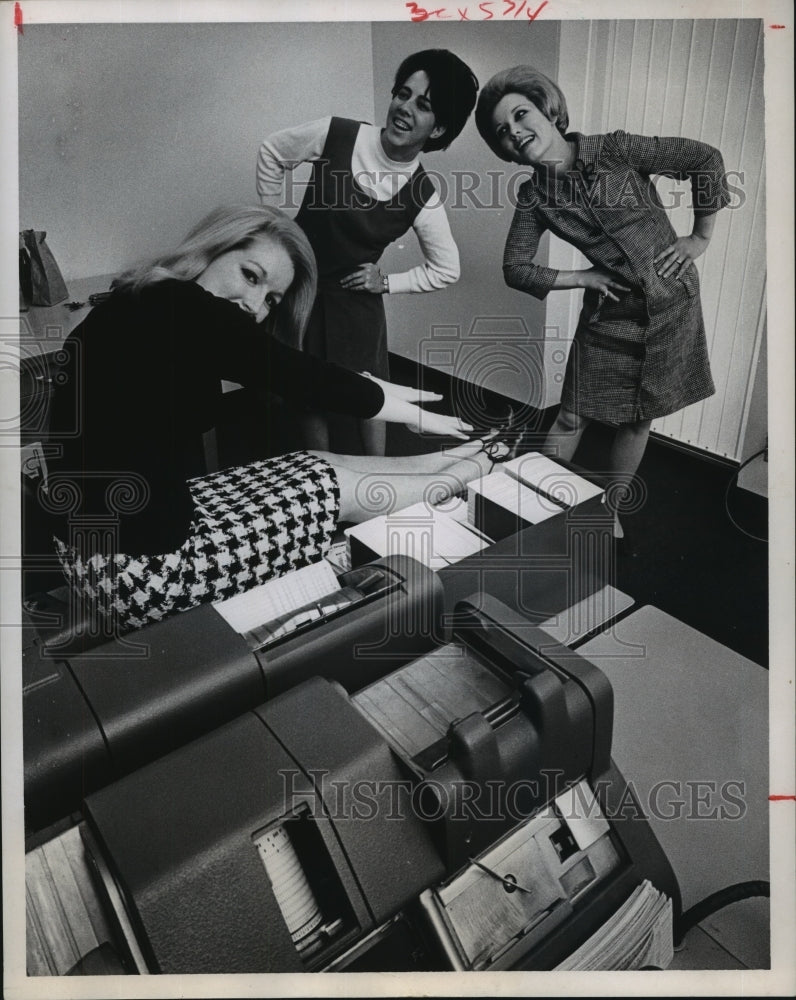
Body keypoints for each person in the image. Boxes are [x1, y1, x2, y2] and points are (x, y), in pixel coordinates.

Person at [44, 205, 497, 634]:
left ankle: (458, 460)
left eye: (270, 299)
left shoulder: (145, 302)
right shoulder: (178, 303)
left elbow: (279, 373)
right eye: (250, 276)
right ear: (211, 249)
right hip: (140, 571)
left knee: (312, 462)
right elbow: (292, 372)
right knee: (330, 488)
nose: (255, 305)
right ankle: (479, 469)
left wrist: (386, 394)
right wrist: (401, 407)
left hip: (108, 542)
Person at [474, 67, 730, 538]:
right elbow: (516, 267)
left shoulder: (616, 149)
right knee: (571, 415)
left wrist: (699, 237)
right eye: (502, 131)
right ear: (503, 150)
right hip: (610, 314)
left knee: (636, 422)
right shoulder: (535, 197)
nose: (514, 131)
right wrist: (583, 277)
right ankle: (531, 509)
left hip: (671, 309)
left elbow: (704, 158)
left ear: (550, 111)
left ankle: (609, 512)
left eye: (521, 114)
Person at [256, 48, 479, 456]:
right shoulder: (336, 134)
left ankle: (377, 479)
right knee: (307, 394)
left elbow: (447, 269)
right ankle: (322, 479)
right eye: (402, 94)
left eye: (423, 105)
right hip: (302, 292)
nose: (404, 108)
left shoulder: (422, 194)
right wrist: (276, 229)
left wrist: (387, 282)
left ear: (438, 128)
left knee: (370, 397)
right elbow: (273, 152)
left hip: (357, 307)